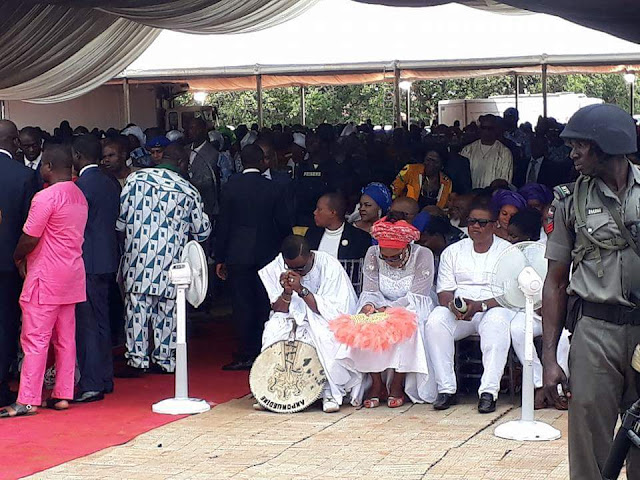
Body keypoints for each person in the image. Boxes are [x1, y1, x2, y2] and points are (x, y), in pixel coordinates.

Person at [542, 104, 640, 479]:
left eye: (580, 145)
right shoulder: (569, 201)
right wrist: (550, 358)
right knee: (588, 445)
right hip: (595, 332)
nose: (573, 154)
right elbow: (555, 281)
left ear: (606, 145)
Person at [1, 143, 88, 418]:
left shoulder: (45, 197)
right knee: (65, 338)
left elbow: (30, 237)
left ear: (48, 166)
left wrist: (17, 257)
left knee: (35, 339)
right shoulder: (79, 195)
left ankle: (27, 400)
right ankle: (62, 394)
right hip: (72, 275)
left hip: (45, 276)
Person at [117, 144, 211, 375]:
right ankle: (164, 359)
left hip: (138, 258)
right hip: (172, 262)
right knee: (168, 311)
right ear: (181, 163)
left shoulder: (135, 180)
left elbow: (120, 222)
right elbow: (202, 232)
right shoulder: (189, 191)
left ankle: (137, 360)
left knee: (137, 309)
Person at [337, 213, 437, 407]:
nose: (389, 261)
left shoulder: (423, 254)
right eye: (385, 257)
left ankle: (397, 384)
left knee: (406, 325)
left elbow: (419, 295)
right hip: (379, 302)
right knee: (365, 325)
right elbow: (370, 290)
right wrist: (370, 306)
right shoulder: (372, 253)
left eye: (395, 257)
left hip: (412, 305)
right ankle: (377, 383)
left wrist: (389, 309)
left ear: (406, 248)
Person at [258, 235, 363, 412]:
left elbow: (334, 311)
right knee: (272, 329)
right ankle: (276, 394)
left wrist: (300, 289)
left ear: (310, 256)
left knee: (324, 336)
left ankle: (328, 392)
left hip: (324, 317)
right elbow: (279, 309)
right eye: (290, 268)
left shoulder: (329, 265)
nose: (296, 272)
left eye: (300, 268)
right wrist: (287, 292)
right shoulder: (277, 266)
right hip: (291, 318)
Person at [425, 202, 513, 413]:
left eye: (482, 222)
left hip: (494, 308)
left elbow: (511, 295)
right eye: (472, 221)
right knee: (435, 321)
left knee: (496, 324)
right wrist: (452, 306)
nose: (475, 226)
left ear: (494, 225)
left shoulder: (508, 252)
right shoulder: (452, 251)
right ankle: (446, 390)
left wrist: (481, 305)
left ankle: (488, 392)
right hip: (462, 311)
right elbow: (444, 291)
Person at [215, 144, 292, 371]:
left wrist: (220, 257)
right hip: (267, 254)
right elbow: (283, 223)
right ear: (262, 162)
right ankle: (263, 349)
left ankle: (245, 353)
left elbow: (224, 224)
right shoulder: (274, 188)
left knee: (242, 305)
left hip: (237, 254)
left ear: (241, 161)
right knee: (264, 302)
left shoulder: (231, 186)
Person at [71, 135, 121, 402]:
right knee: (102, 322)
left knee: (87, 325)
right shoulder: (110, 182)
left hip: (87, 261)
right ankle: (105, 378)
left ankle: (92, 383)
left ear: (78, 156)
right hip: (107, 259)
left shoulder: (81, 187)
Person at [0, 120, 37, 407]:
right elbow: (30, 226)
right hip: (8, 263)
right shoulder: (24, 175)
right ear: (14, 141)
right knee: (5, 323)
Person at [305, 192, 371, 260]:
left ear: (332, 213)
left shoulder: (359, 238)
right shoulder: (312, 233)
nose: (315, 212)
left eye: (319, 209)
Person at [461, 115, 514, 188]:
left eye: (490, 128)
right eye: (484, 128)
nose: (487, 131)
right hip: (471, 194)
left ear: (496, 130)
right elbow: (462, 178)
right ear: (479, 129)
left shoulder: (505, 153)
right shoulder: (467, 150)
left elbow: (504, 182)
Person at [186, 118, 220, 223]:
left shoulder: (212, 153)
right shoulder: (185, 149)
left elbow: (207, 181)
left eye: (196, 128)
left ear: (204, 130)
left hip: (205, 204)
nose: (192, 131)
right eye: (190, 128)